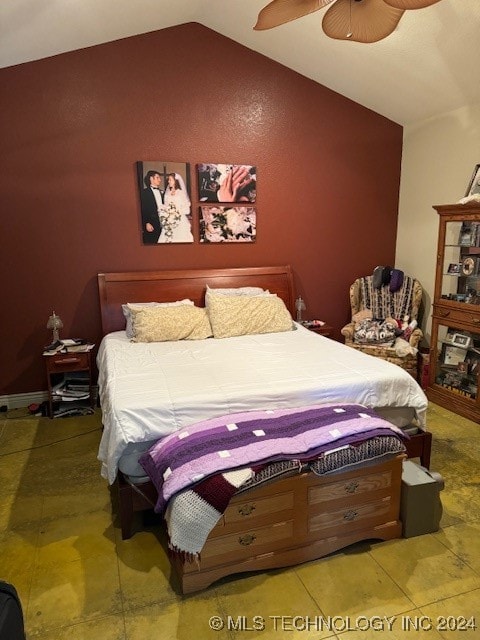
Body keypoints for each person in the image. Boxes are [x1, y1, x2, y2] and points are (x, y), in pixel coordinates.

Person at [159, 172, 193, 243]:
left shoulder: (181, 193)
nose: (168, 181)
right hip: (169, 220)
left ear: (175, 181)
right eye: (168, 180)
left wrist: (177, 213)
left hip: (180, 220)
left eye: (170, 180)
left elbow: (187, 209)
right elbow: (165, 205)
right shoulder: (167, 193)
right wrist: (165, 213)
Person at [140, 170, 164, 244]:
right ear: (151, 179)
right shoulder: (144, 193)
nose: (160, 180)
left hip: (163, 224)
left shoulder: (162, 192)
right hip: (152, 224)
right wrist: (146, 223)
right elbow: (143, 209)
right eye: (157, 178)